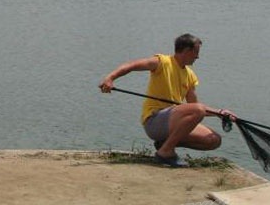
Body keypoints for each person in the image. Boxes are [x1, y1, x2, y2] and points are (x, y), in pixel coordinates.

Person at [98, 33, 234, 168]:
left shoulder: (190, 75)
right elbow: (132, 65)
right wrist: (110, 78)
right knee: (198, 110)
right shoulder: (162, 62)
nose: (197, 57)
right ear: (186, 51)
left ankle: (164, 144)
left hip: (173, 121)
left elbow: (195, 106)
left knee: (213, 140)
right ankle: (165, 152)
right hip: (154, 121)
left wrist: (220, 113)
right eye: (196, 52)